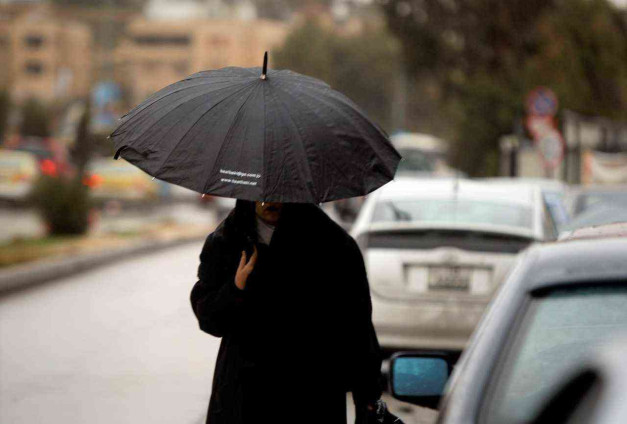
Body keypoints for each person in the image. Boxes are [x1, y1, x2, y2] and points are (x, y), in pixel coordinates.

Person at [190, 200, 399, 424]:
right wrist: (235, 288)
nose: (271, 199)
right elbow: (210, 320)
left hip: (311, 394)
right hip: (243, 396)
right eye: (264, 193)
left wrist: (367, 398)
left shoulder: (332, 244)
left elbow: (357, 327)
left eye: (280, 191)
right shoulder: (227, 241)